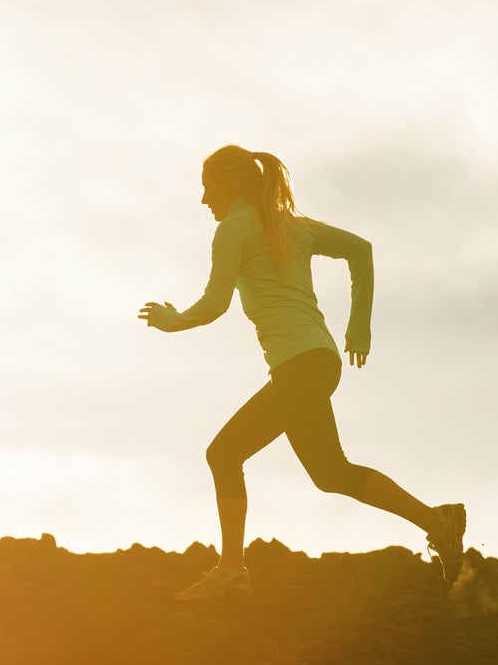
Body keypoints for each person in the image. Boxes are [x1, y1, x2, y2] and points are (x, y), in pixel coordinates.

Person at [140, 145, 467, 601]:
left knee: (225, 455)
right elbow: (360, 250)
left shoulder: (234, 229)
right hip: (318, 360)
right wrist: (358, 327)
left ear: (228, 184)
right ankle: (437, 520)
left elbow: (215, 304)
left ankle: (232, 571)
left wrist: (170, 319)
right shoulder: (291, 225)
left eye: (207, 188)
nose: (203, 200)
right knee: (329, 472)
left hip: (298, 365)